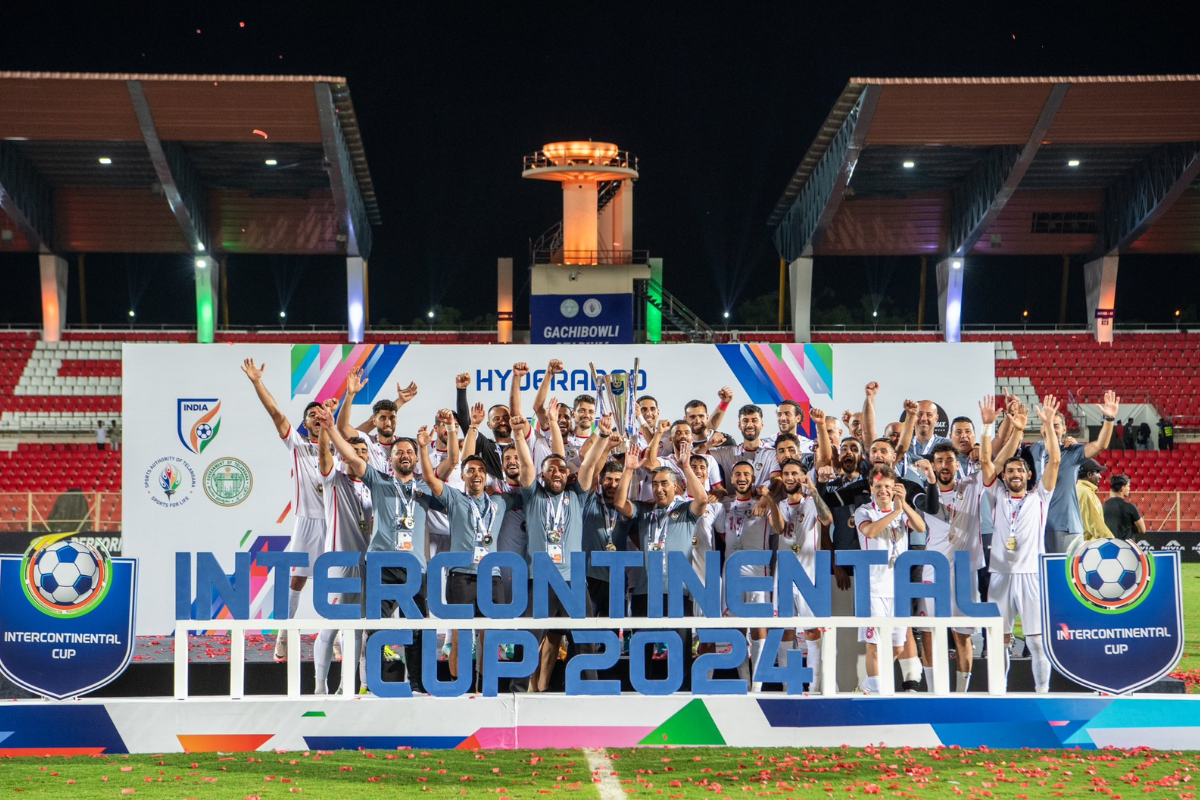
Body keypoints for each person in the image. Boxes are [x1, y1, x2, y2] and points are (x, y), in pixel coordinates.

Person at [320, 406, 444, 694]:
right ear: (390, 458)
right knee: (375, 628)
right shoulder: (379, 481)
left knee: (419, 630)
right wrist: (330, 428)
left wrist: (428, 446)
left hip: (416, 568)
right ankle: (372, 685)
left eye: (409, 452)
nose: (404, 455)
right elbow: (351, 456)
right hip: (381, 567)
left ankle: (418, 686)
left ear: (415, 459)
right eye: (399, 451)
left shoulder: (425, 488)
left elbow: (448, 466)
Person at [914, 398, 1026, 693]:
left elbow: (999, 461)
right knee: (929, 634)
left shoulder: (973, 485)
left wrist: (1007, 429)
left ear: (956, 463)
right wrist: (928, 480)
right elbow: (933, 505)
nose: (944, 465)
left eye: (949, 460)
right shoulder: (922, 493)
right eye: (939, 461)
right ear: (933, 465)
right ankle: (932, 691)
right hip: (932, 574)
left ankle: (961, 694)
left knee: (962, 636)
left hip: (965, 574)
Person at [242, 358, 335, 662]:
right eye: (311, 415)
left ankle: (331, 639)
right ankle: (282, 636)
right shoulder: (296, 443)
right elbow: (275, 412)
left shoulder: (340, 446)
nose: (316, 417)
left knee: (336, 581)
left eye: (320, 413)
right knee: (297, 580)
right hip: (307, 522)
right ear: (306, 423)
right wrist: (257, 381)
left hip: (336, 521)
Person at [417, 422, 522, 692]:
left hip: (492, 578)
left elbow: (523, 484)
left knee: (489, 638)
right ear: (463, 476)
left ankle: (484, 689)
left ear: (486, 477)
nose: (476, 474)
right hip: (461, 577)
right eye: (471, 470)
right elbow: (430, 479)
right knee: (460, 636)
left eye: (481, 470)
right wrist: (421, 448)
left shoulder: (499, 502)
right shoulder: (454, 499)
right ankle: (457, 688)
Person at [512, 410, 609, 692]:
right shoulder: (533, 495)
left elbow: (590, 466)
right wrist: (519, 435)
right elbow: (526, 466)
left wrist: (602, 435)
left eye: (561, 468)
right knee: (529, 639)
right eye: (551, 468)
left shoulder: (577, 496)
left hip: (573, 581)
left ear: (568, 475)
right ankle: (516, 694)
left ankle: (589, 693)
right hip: (540, 580)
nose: (557, 472)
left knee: (586, 641)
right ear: (542, 476)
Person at [614, 442, 709, 688]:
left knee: (680, 647)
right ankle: (641, 691)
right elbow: (619, 503)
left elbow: (702, 499)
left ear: (676, 487)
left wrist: (686, 467)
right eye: (654, 484)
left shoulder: (686, 511)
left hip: (678, 590)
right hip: (646, 590)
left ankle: (683, 694)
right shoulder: (645, 511)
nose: (658, 489)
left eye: (664, 483)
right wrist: (628, 470)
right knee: (642, 646)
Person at [988, 394, 1062, 694]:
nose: (1015, 474)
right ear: (1004, 476)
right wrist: (1015, 430)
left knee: (1035, 640)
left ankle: (1042, 693)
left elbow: (1055, 460)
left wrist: (1047, 426)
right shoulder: (995, 496)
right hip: (1000, 576)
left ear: (1029, 475)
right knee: (1000, 640)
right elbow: (992, 464)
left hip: (1031, 575)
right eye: (1010, 471)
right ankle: (1000, 693)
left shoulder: (1039, 497)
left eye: (1020, 470)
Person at [853, 464, 927, 694]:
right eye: (878, 486)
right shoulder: (864, 511)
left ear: (895, 487)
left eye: (887, 486)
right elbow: (870, 532)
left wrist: (903, 505)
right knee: (874, 645)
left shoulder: (902, 510)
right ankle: (874, 692)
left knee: (897, 646)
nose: (883, 490)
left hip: (898, 589)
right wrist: (895, 513)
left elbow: (921, 527)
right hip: (873, 588)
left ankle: (866, 686)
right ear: (870, 488)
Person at [313, 419, 373, 695]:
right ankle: (319, 687)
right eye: (355, 451)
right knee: (332, 626)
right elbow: (324, 456)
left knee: (358, 630)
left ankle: (347, 686)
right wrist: (326, 430)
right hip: (338, 563)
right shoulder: (333, 479)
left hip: (365, 565)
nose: (360, 455)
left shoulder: (373, 486)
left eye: (364, 452)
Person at [713, 461, 784, 691]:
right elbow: (723, 535)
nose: (742, 477)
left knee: (758, 628)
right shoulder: (726, 506)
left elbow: (780, 528)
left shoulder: (763, 505)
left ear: (753, 479)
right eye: (737, 474)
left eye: (746, 474)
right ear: (732, 479)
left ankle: (758, 686)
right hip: (731, 574)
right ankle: (745, 682)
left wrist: (769, 500)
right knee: (736, 630)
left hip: (758, 574)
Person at [1031, 390, 1120, 553]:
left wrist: (1109, 419)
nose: (1051, 428)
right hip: (1035, 527)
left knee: (1065, 576)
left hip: (1065, 527)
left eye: (1055, 425)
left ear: (1064, 429)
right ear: (1042, 428)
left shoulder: (1071, 451)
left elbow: (1100, 444)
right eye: (1047, 424)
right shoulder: (1032, 451)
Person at [776, 459, 833, 691]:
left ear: (802, 476)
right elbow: (779, 528)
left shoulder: (811, 503)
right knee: (785, 631)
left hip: (808, 576)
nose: (790, 477)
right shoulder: (779, 504)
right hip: (784, 575)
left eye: (795, 473)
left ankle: (813, 688)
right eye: (786, 473)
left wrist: (814, 490)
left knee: (811, 631)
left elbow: (828, 519)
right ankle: (789, 689)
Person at [709, 403, 780, 491]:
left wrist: (765, 498)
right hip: (733, 503)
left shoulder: (773, 454)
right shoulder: (728, 452)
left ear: (762, 424)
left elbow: (777, 480)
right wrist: (708, 444)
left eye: (754, 420)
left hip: (762, 503)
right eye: (745, 421)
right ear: (739, 425)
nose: (750, 425)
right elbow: (695, 455)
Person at [1076, 458, 1114, 542]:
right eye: (1097, 472)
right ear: (1089, 474)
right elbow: (1094, 523)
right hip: (1086, 545)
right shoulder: (1085, 493)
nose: (1100, 476)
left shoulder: (1079, 489)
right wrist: (1110, 540)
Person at [1103, 475, 1145, 541]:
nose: (1129, 489)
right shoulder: (1130, 507)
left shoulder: (1103, 507)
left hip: (1109, 545)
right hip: (1126, 547)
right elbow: (1142, 530)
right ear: (1123, 488)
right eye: (1128, 486)